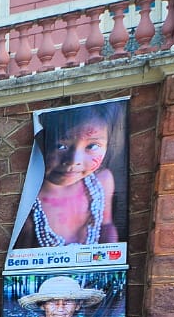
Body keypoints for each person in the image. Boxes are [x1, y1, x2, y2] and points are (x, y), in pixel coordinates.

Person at [21, 101, 120, 248]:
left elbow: (106, 225)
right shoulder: (27, 198)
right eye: (60, 146)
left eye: (92, 146)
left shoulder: (102, 181)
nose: (74, 161)